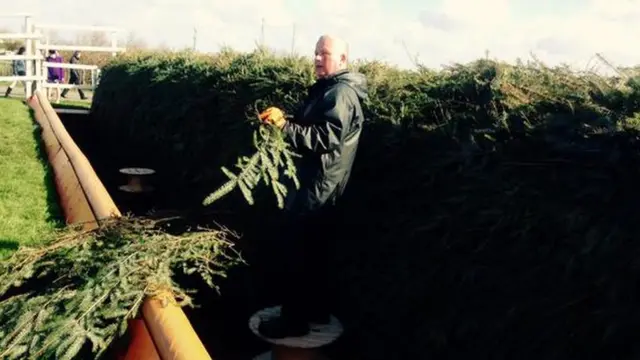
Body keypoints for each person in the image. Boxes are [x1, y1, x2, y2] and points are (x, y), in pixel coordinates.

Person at [256, 34, 368, 339]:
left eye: (326, 54)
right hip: (319, 186)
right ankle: (316, 312)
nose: (318, 59)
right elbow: (315, 127)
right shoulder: (330, 90)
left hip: (318, 189)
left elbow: (324, 139)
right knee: (314, 256)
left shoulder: (340, 94)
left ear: (343, 60)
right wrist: (286, 120)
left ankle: (293, 321)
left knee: (299, 256)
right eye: (316, 53)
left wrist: (284, 127)